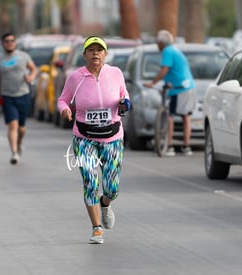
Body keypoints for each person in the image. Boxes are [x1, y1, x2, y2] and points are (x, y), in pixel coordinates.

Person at [57, 36, 131, 244]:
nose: (95, 53)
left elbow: (124, 96)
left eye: (100, 50)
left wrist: (125, 103)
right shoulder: (75, 77)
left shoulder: (115, 74)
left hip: (113, 137)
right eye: (91, 50)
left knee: (112, 188)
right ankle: (96, 228)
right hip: (84, 138)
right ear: (85, 55)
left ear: (105, 54)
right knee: (90, 182)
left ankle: (105, 203)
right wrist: (64, 110)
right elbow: (63, 99)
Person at [144, 29, 196, 156]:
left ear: (161, 43)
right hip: (184, 87)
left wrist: (153, 83)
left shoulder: (167, 51)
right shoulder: (174, 50)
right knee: (185, 116)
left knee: (171, 116)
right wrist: (165, 86)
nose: (157, 45)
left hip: (181, 88)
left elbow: (165, 70)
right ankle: (185, 146)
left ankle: (170, 146)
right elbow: (174, 71)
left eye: (157, 42)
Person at [0, 32, 38, 164]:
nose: (9, 43)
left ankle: (19, 141)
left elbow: (33, 69)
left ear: (15, 43)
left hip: (23, 93)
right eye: (7, 41)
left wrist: (31, 77)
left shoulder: (23, 56)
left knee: (21, 128)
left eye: (12, 40)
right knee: (12, 125)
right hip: (7, 95)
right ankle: (14, 153)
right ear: (3, 43)